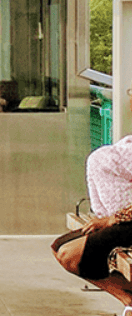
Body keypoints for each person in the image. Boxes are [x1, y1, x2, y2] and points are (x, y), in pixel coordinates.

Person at [54, 135, 132, 316]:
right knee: (58, 247)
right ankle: (127, 299)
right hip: (118, 219)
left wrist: (114, 218)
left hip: (123, 220)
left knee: (69, 255)